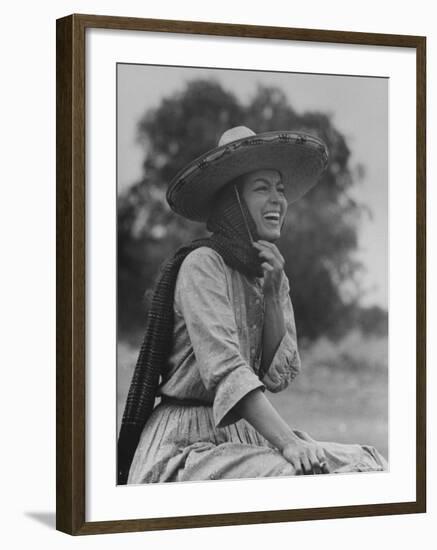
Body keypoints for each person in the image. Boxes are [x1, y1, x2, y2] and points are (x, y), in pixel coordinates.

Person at [117, 126, 387, 485]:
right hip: (185, 444)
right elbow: (227, 371)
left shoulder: (269, 272)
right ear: (234, 201)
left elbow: (277, 376)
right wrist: (289, 443)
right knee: (301, 475)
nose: (277, 199)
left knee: (368, 463)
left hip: (242, 435)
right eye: (262, 188)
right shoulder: (203, 265)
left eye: (280, 189)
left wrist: (274, 294)